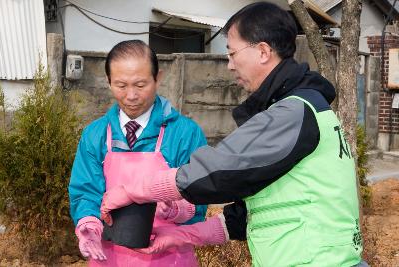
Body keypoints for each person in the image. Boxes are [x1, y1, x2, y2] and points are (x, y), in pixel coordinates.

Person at [100, 2, 368, 267]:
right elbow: (246, 215)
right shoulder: (301, 107)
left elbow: (218, 171)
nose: (229, 65)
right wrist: (180, 235)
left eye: (232, 52)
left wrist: (134, 191)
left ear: (263, 51)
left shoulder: (292, 112)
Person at [68, 40, 211, 266]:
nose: (131, 95)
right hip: (108, 257)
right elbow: (86, 191)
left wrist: (177, 209)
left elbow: (201, 196)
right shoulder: (95, 135)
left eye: (141, 84)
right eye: (121, 85)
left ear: (158, 78)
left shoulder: (185, 133)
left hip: (170, 257)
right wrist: (88, 223)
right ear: (108, 82)